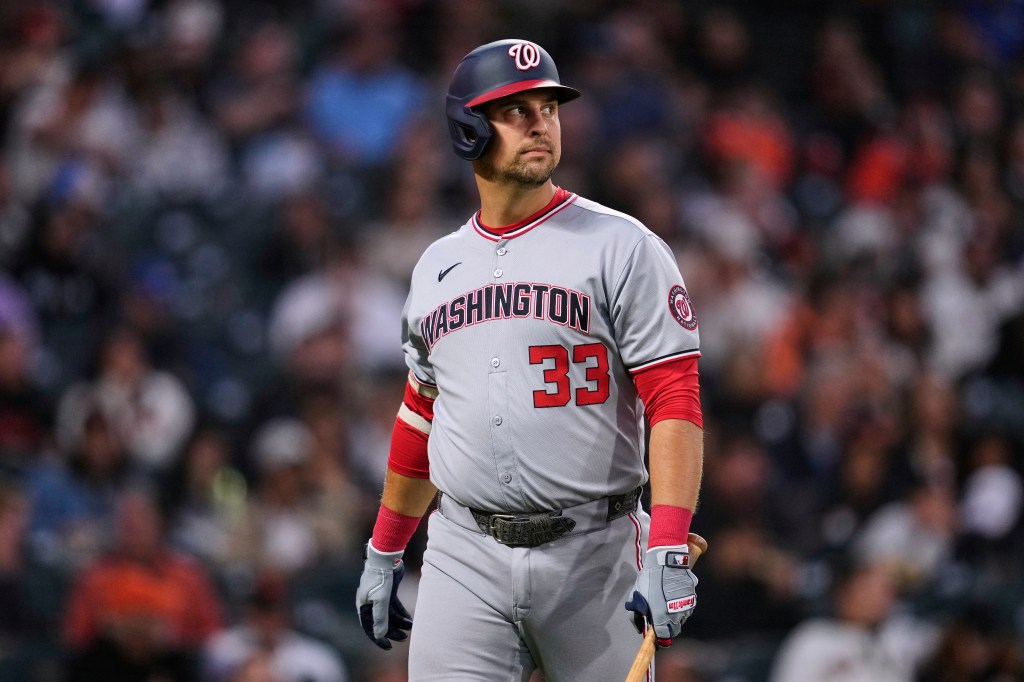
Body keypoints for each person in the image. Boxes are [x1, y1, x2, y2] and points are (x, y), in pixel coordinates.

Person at [355, 39, 705, 681]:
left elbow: (674, 399)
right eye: (515, 109)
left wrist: (670, 546)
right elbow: (421, 416)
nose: (540, 121)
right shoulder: (437, 267)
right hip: (464, 554)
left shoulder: (623, 247)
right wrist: (385, 547)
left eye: (548, 106)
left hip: (595, 554)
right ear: (467, 131)